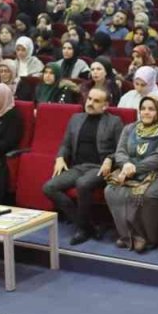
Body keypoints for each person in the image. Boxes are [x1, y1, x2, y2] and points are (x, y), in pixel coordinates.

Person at [42, 87, 122, 243]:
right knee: (49, 187)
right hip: (78, 166)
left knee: (82, 184)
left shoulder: (114, 122)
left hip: (99, 167)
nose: (90, 103)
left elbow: (121, 150)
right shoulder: (76, 118)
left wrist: (110, 159)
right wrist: (60, 157)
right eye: (89, 99)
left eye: (96, 101)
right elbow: (65, 144)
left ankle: (82, 229)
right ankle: (86, 225)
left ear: (105, 105)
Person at [104, 96, 158, 252]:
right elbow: (120, 151)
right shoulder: (130, 128)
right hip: (129, 172)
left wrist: (134, 168)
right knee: (111, 190)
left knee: (145, 195)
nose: (146, 112)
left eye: (151, 109)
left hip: (157, 175)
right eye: (143, 108)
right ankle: (127, 235)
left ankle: (147, 237)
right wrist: (125, 164)